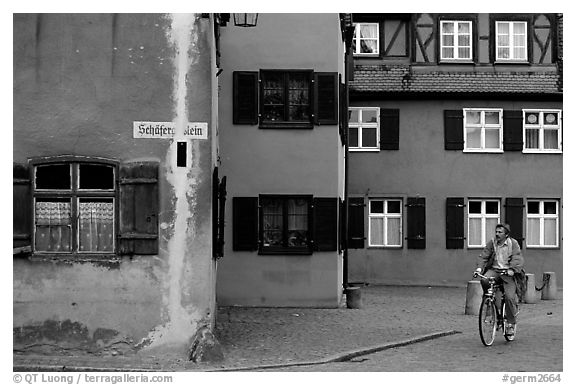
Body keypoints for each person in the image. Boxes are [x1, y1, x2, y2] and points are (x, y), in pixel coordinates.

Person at [474, 223, 524, 338]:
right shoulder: (492, 243)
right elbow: (484, 256)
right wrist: (479, 269)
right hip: (495, 270)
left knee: (509, 297)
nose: (497, 234)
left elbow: (517, 257)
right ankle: (489, 302)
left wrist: (512, 269)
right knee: (485, 280)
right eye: (496, 232)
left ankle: (510, 323)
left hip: (508, 273)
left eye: (500, 232)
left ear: (506, 234)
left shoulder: (513, 243)